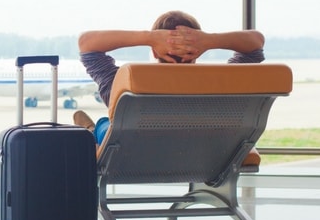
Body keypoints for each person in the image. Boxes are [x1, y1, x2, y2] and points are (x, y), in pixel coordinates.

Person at [73, 10, 266, 144]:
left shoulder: (124, 88)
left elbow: (86, 43)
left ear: (154, 52)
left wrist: (149, 37)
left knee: (106, 127)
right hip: (203, 156)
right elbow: (256, 43)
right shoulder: (223, 84)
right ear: (198, 51)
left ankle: (90, 131)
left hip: (135, 155)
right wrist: (210, 40)